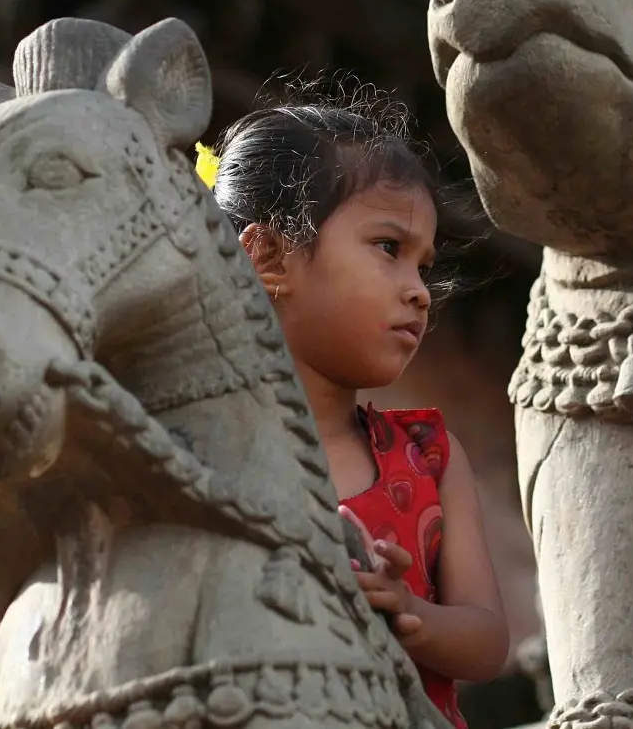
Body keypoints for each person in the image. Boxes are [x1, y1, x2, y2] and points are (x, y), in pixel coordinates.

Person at [195, 86, 509, 728]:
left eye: (424, 265)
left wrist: (408, 612)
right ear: (269, 255)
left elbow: (486, 640)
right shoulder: (197, 454)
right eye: (389, 248)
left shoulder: (430, 457)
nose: (420, 292)